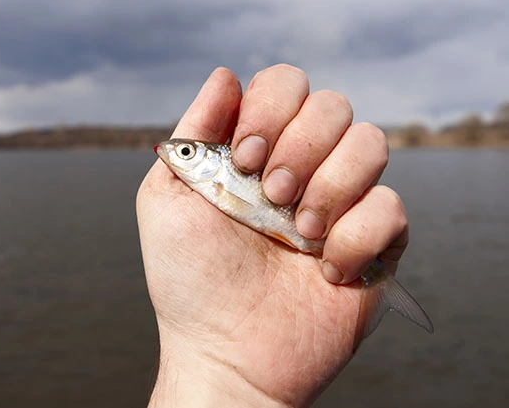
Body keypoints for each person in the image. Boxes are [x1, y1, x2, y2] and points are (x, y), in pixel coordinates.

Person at [136, 65, 410, 408]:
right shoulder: (195, 193)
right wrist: (214, 370)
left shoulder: (218, 177)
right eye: (185, 152)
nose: (171, 154)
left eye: (186, 153)